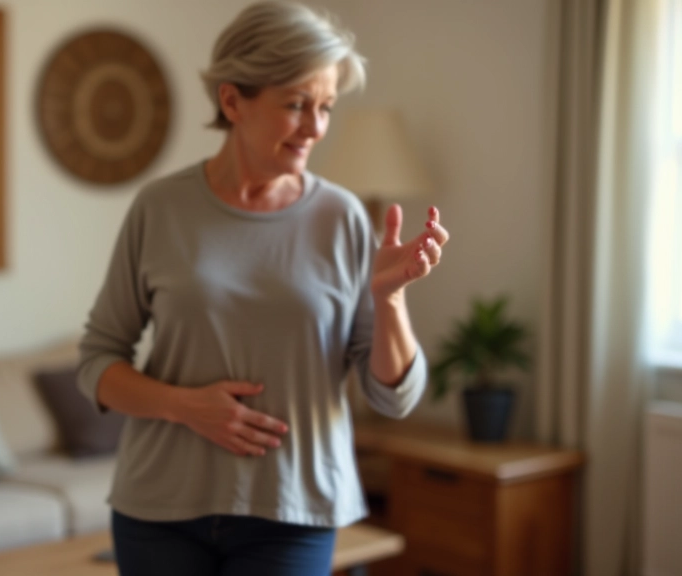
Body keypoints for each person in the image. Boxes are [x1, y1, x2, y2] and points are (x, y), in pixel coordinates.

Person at [76, 2, 449, 574]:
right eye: (296, 105)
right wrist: (184, 407)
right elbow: (98, 362)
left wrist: (389, 298)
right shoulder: (161, 208)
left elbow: (393, 397)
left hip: (293, 513)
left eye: (324, 107)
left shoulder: (343, 218)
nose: (315, 127)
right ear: (232, 101)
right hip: (157, 511)